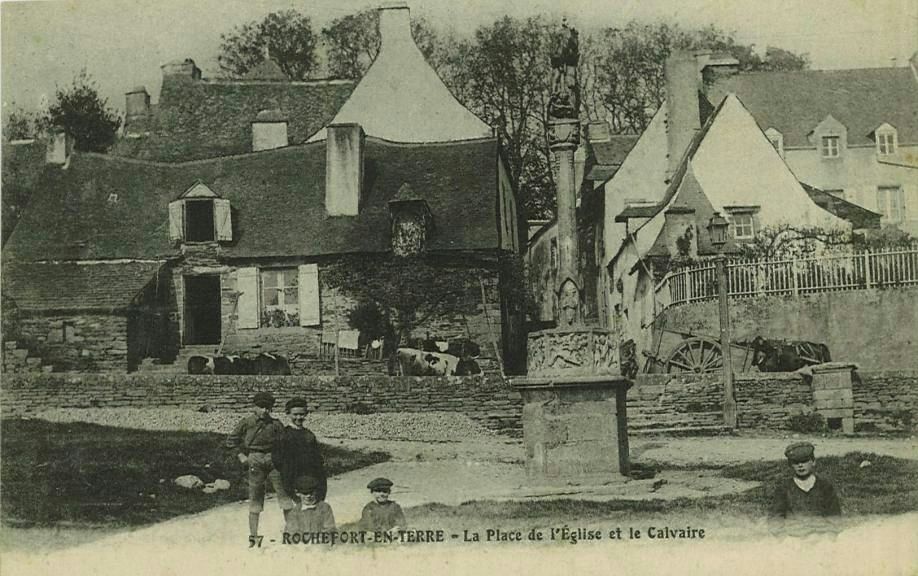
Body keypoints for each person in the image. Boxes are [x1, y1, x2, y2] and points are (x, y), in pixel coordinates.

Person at [226, 391, 293, 545]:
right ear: (254, 407)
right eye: (262, 407)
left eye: (268, 408)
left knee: (284, 495)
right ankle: (254, 536)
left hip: (273, 460)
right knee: (255, 497)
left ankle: (290, 531)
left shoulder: (275, 424)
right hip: (254, 459)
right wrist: (242, 456)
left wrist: (282, 457)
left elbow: (286, 443)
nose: (265, 411)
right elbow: (231, 441)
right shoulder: (247, 423)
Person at [272, 397, 327, 503]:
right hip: (292, 475)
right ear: (288, 414)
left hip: (310, 475)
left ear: (306, 414)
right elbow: (277, 458)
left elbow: (317, 458)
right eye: (295, 414)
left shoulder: (309, 434)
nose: (298, 417)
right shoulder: (284, 435)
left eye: (301, 414)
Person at [770, 442, 842, 518]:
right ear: (790, 465)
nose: (800, 465)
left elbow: (835, 516)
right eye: (796, 462)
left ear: (813, 462)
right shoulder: (784, 489)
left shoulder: (825, 487)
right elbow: (776, 517)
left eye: (804, 461)